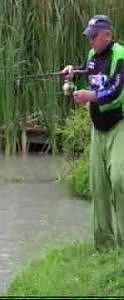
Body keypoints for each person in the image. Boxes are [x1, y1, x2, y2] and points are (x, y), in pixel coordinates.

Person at [63, 15, 124, 251]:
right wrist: (72, 74)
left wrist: (90, 96)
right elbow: (91, 80)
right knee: (98, 186)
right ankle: (105, 246)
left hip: (119, 123)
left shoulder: (120, 55)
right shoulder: (91, 57)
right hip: (97, 127)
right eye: (88, 35)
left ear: (107, 35)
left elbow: (116, 91)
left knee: (119, 179)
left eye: (93, 35)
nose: (90, 40)